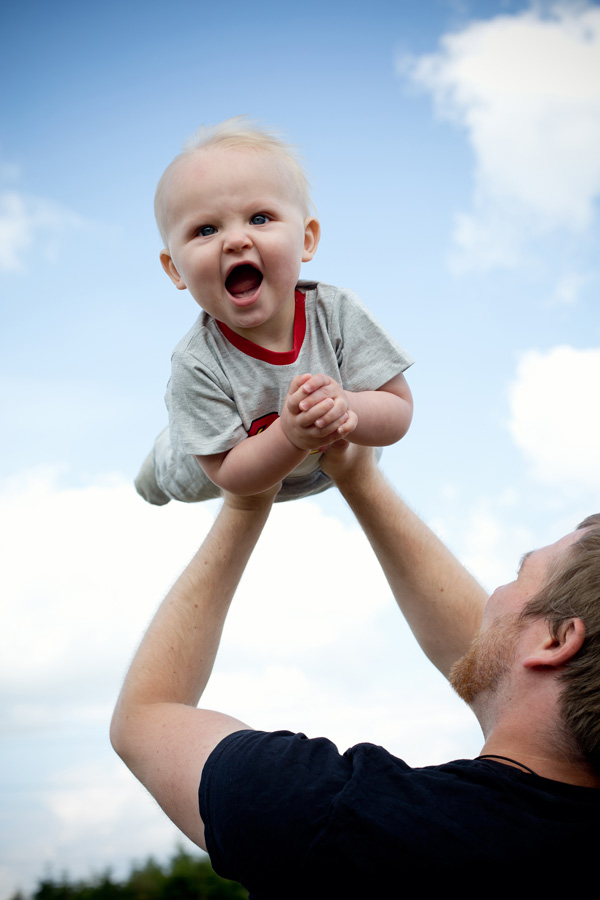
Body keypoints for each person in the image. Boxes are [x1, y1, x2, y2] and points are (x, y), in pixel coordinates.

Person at [111, 445, 600, 894]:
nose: (492, 599)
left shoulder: (346, 823)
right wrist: (357, 475)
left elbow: (147, 718)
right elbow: (497, 659)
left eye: (518, 576)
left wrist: (247, 500)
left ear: (557, 641)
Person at [135, 118, 413, 506]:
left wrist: (348, 405)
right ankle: (155, 468)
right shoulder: (196, 363)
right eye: (206, 230)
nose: (235, 240)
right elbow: (230, 476)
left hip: (334, 463)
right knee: (166, 475)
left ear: (306, 238)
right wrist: (290, 436)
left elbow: (399, 408)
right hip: (217, 462)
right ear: (175, 270)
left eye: (259, 218)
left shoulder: (336, 313)